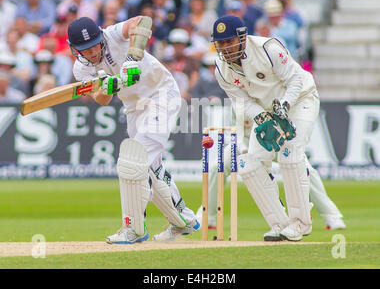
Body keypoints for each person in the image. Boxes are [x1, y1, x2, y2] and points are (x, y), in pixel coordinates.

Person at [67, 16, 200, 244]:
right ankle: (184, 221)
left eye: (95, 46)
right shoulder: (81, 69)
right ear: (74, 50)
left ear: (101, 37)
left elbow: (143, 21)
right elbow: (101, 100)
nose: (92, 53)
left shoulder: (112, 35)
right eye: (85, 50)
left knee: (134, 161)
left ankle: (134, 228)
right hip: (134, 107)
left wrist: (132, 57)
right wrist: (108, 86)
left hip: (161, 94)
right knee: (150, 167)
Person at [211, 15, 319, 241]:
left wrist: (284, 108)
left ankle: (300, 223)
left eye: (229, 41)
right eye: (220, 43)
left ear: (242, 37)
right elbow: (242, 101)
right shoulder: (221, 69)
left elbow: (295, 81)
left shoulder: (268, 48)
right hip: (266, 110)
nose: (224, 48)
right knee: (247, 163)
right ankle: (280, 224)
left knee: (289, 154)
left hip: (300, 100)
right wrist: (264, 118)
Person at [195, 117, 346, 231]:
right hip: (247, 144)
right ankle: (207, 216)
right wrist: (243, 148)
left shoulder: (271, 91)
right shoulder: (239, 95)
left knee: (307, 170)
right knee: (216, 167)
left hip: (278, 143)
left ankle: (331, 216)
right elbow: (237, 130)